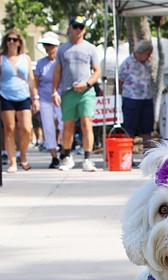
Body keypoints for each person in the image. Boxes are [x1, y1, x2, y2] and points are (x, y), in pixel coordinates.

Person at [52, 16, 101, 172]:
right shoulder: (62, 49)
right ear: (70, 28)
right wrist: (54, 91)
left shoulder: (90, 48)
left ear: (84, 29)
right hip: (68, 91)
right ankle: (67, 157)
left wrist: (87, 84)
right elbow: (57, 72)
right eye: (76, 26)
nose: (78, 30)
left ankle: (87, 159)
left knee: (87, 123)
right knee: (68, 126)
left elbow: (97, 71)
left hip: (86, 91)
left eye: (81, 27)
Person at [0, 29, 37, 173]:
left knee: (26, 128)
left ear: (19, 42)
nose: (11, 42)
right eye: (9, 39)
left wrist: (35, 97)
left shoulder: (26, 58)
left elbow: (31, 79)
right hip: (6, 95)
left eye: (14, 40)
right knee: (9, 129)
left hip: (23, 95)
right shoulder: (0, 58)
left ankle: (22, 155)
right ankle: (12, 161)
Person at [33, 31, 65, 169]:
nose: (49, 48)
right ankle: (54, 156)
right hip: (45, 98)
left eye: (51, 45)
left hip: (61, 97)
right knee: (48, 127)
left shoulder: (62, 62)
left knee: (64, 125)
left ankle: (65, 151)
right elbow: (35, 82)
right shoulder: (41, 63)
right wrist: (35, 98)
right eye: (46, 45)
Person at [118, 39, 155, 151]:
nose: (148, 56)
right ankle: (126, 155)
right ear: (141, 53)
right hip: (131, 99)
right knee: (130, 128)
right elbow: (120, 80)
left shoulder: (148, 62)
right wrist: (121, 95)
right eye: (147, 54)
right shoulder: (127, 63)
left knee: (147, 129)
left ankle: (148, 155)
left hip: (147, 98)